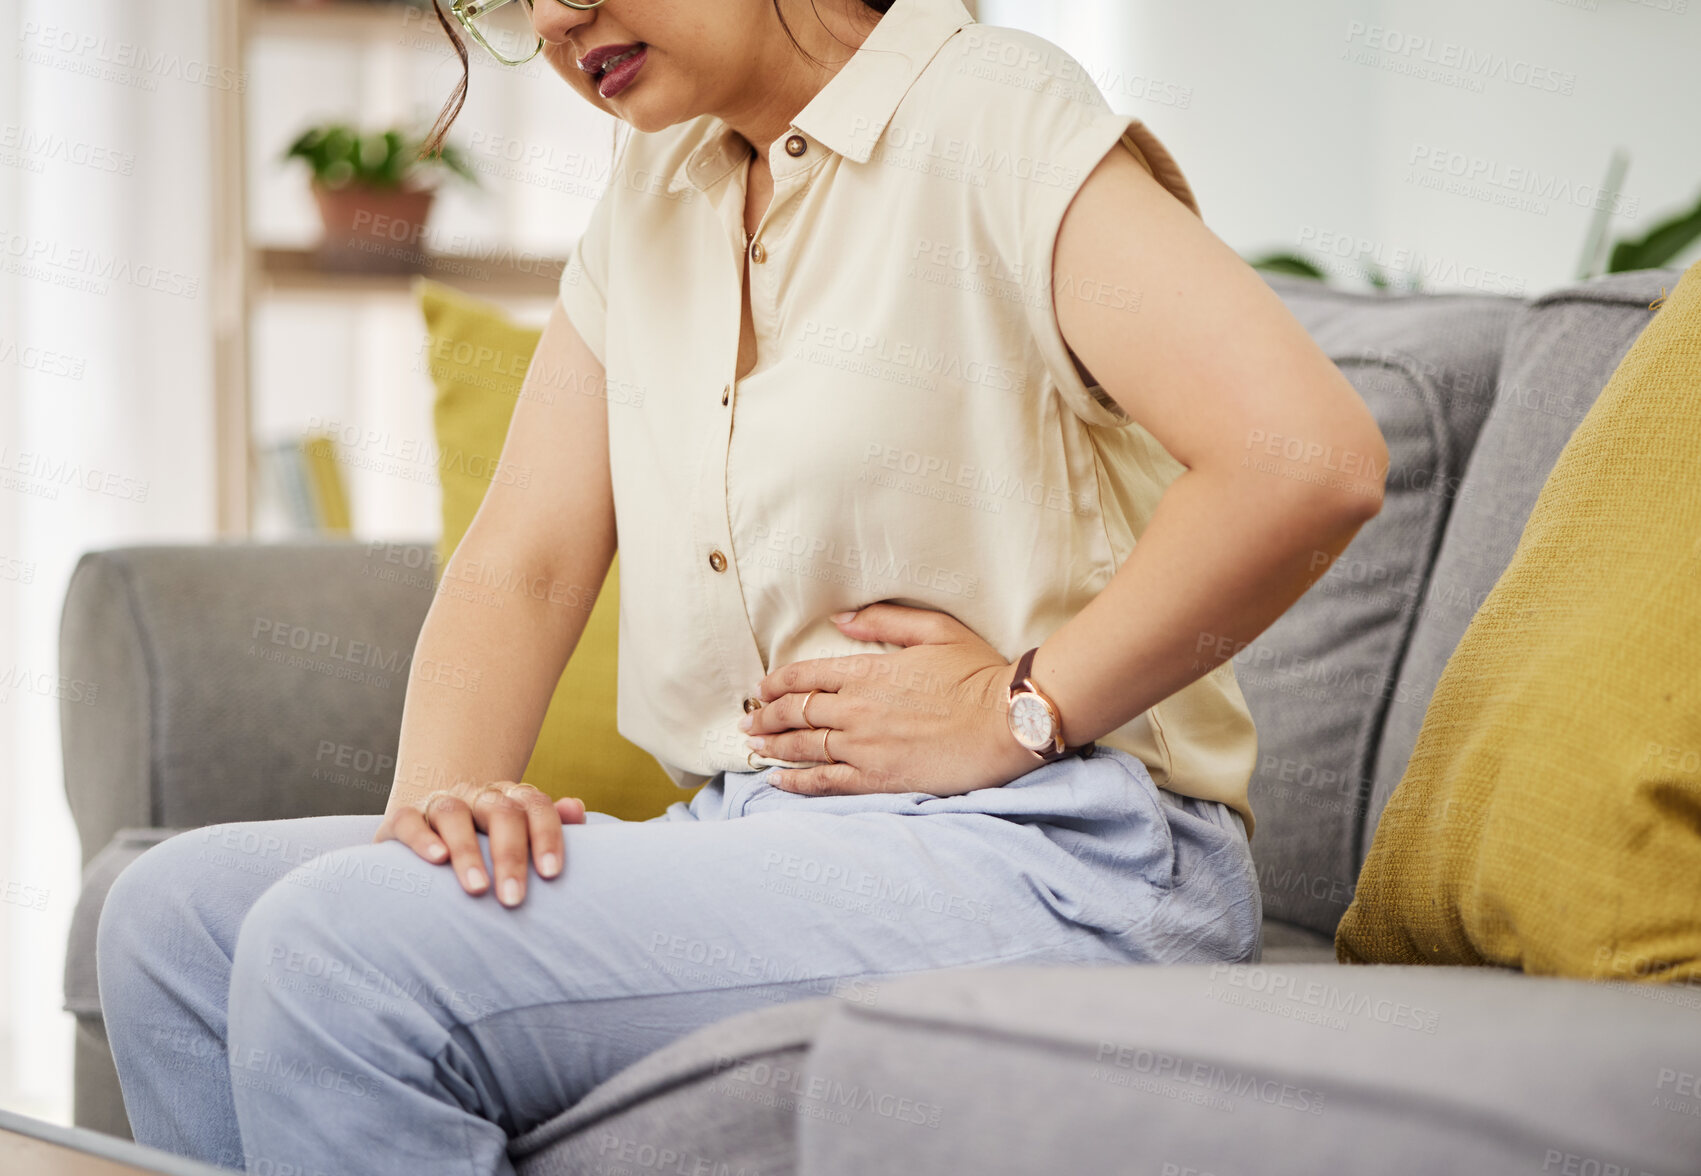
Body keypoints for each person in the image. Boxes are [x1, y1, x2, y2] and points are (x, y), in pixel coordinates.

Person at [96, 0, 1388, 1172]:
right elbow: (526, 560)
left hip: (1063, 855)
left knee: (342, 955)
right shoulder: (658, 185)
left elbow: (1307, 459)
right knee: (173, 924)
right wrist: (431, 823)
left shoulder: (990, 114)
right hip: (764, 828)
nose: (553, 19)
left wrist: (1019, 707)